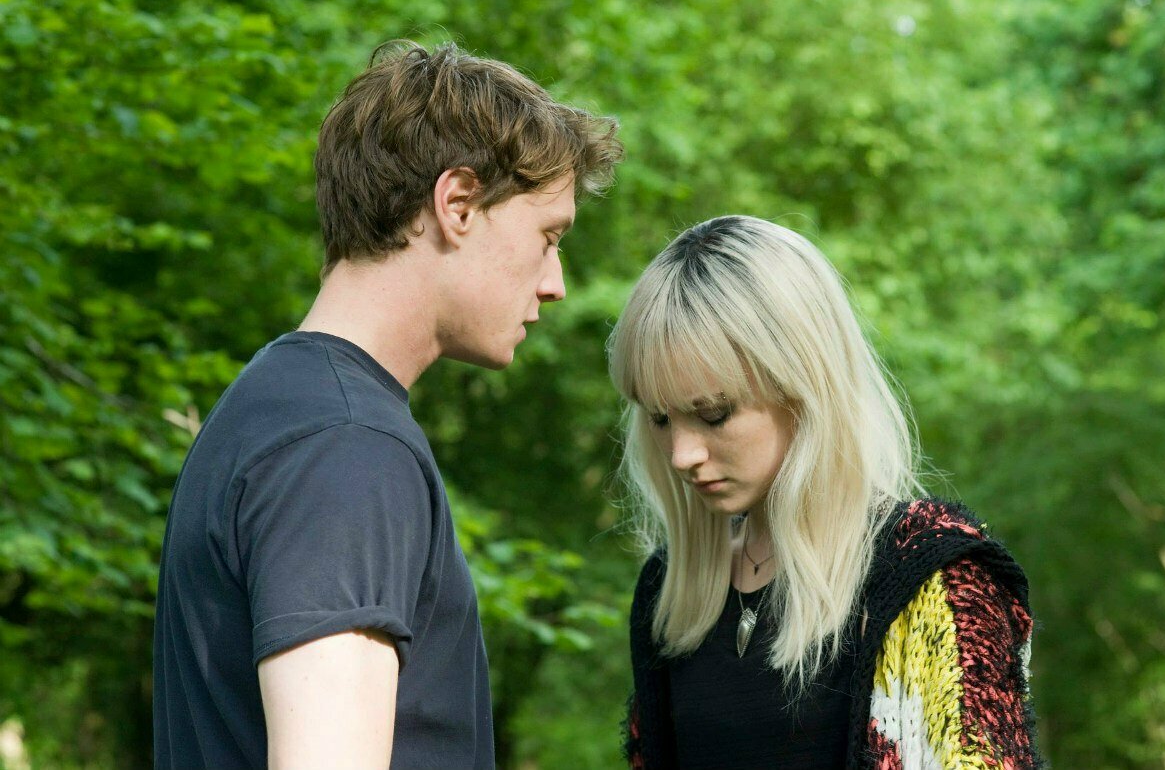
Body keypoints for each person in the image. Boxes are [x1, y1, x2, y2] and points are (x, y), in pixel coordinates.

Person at [152, 40, 622, 769]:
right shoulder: (344, 448)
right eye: (548, 236)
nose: (555, 282)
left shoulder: (279, 409)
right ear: (457, 204)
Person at [608, 216, 1042, 769]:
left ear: (805, 387)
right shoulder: (669, 590)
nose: (681, 454)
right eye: (660, 418)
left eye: (713, 413)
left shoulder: (932, 579)